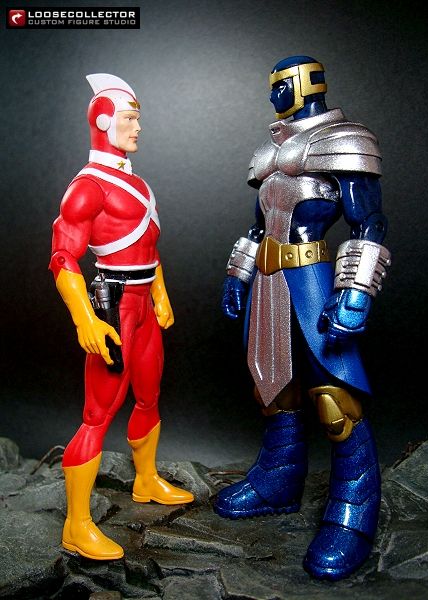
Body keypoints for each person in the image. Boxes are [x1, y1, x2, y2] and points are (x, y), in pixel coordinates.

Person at [214, 56, 391, 581]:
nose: (272, 97)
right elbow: (257, 226)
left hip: (311, 277)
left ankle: (354, 507)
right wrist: (239, 273)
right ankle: (278, 479)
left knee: (334, 397)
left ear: (302, 85)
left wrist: (355, 290)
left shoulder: (344, 140)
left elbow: (369, 222)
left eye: (278, 87)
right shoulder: (271, 153)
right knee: (272, 386)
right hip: (268, 282)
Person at [50, 73, 193, 561]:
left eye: (137, 118)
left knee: (149, 394)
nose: (138, 127)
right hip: (115, 306)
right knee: (98, 414)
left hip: (145, 304)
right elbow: (63, 257)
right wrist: (85, 319)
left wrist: (161, 292)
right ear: (104, 122)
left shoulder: (137, 183)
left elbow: (148, 245)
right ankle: (76, 524)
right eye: (130, 118)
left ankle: (146, 479)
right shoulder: (87, 188)